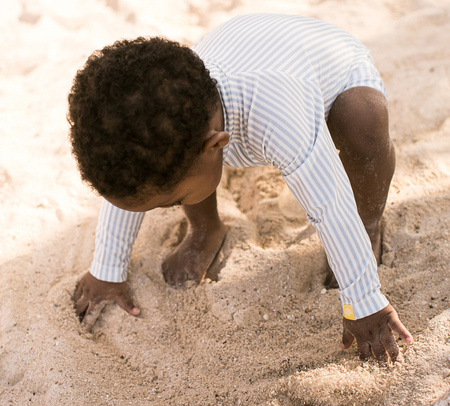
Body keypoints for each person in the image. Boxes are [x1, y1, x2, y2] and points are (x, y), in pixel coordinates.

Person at [68, 13, 412, 362]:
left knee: (364, 122)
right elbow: (132, 183)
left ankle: (368, 224)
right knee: (179, 174)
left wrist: (364, 301)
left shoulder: (279, 120)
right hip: (245, 58)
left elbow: (330, 203)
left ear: (215, 145)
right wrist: (106, 270)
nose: (164, 208)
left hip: (332, 72)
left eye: (169, 203)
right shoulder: (183, 117)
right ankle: (205, 228)